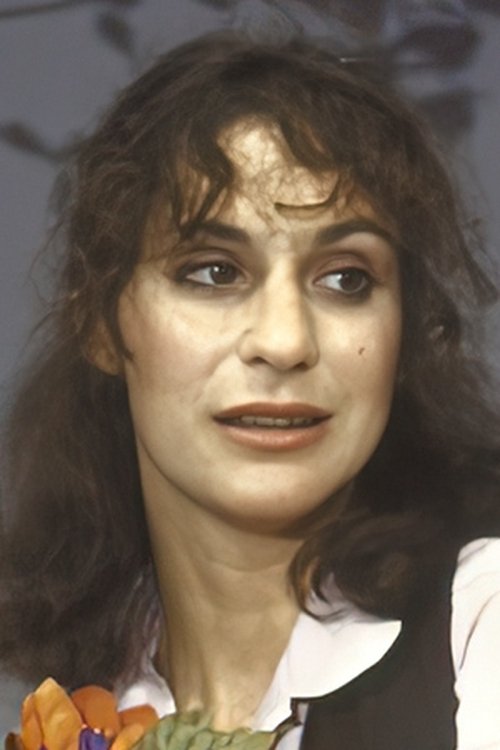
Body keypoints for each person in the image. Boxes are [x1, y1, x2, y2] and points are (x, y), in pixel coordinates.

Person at [1, 31, 500, 750]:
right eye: (214, 271)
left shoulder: (481, 628)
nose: (285, 341)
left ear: (407, 331)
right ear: (101, 322)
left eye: (346, 278)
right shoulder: (87, 714)